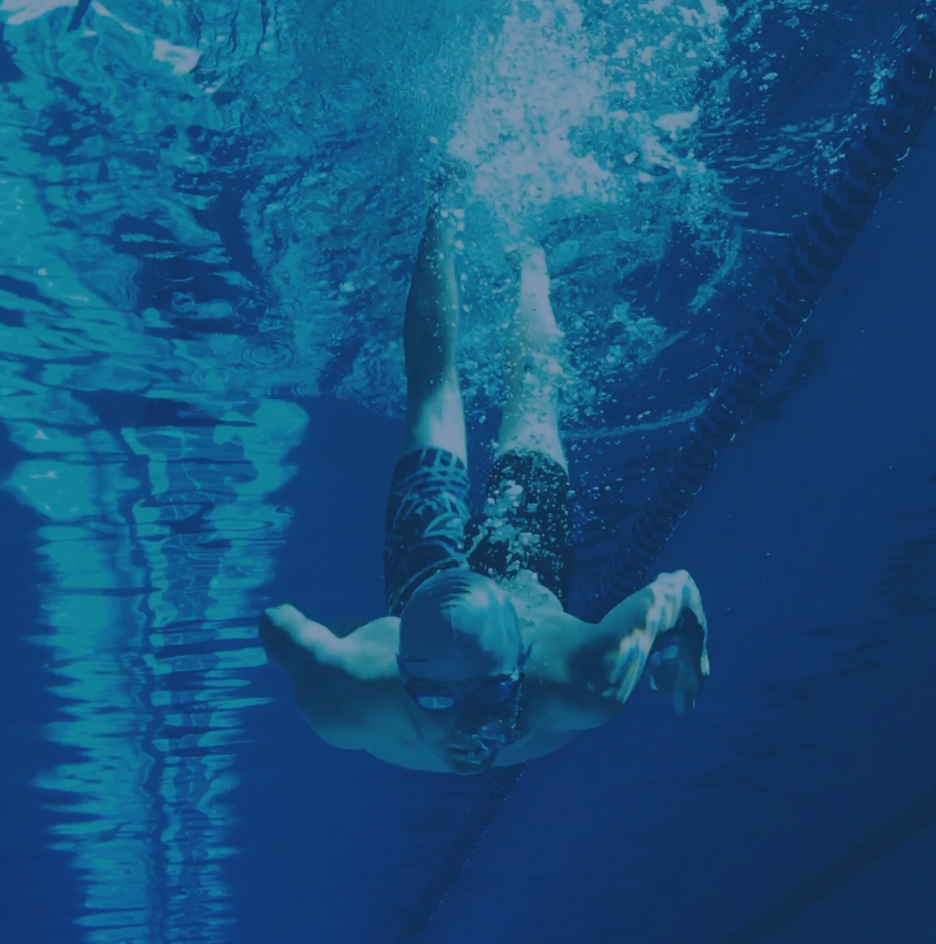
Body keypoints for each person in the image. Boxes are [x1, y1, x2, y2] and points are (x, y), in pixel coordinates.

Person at [258, 193, 710, 775]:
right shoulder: (348, 696)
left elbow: (677, 592)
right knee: (519, 401)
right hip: (493, 573)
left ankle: (528, 260)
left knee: (459, 394)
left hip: (481, 583)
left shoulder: (583, 678)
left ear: (522, 665)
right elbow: (278, 628)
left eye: (494, 694)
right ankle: (450, 205)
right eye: (439, 699)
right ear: (404, 679)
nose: (468, 725)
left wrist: (692, 643)